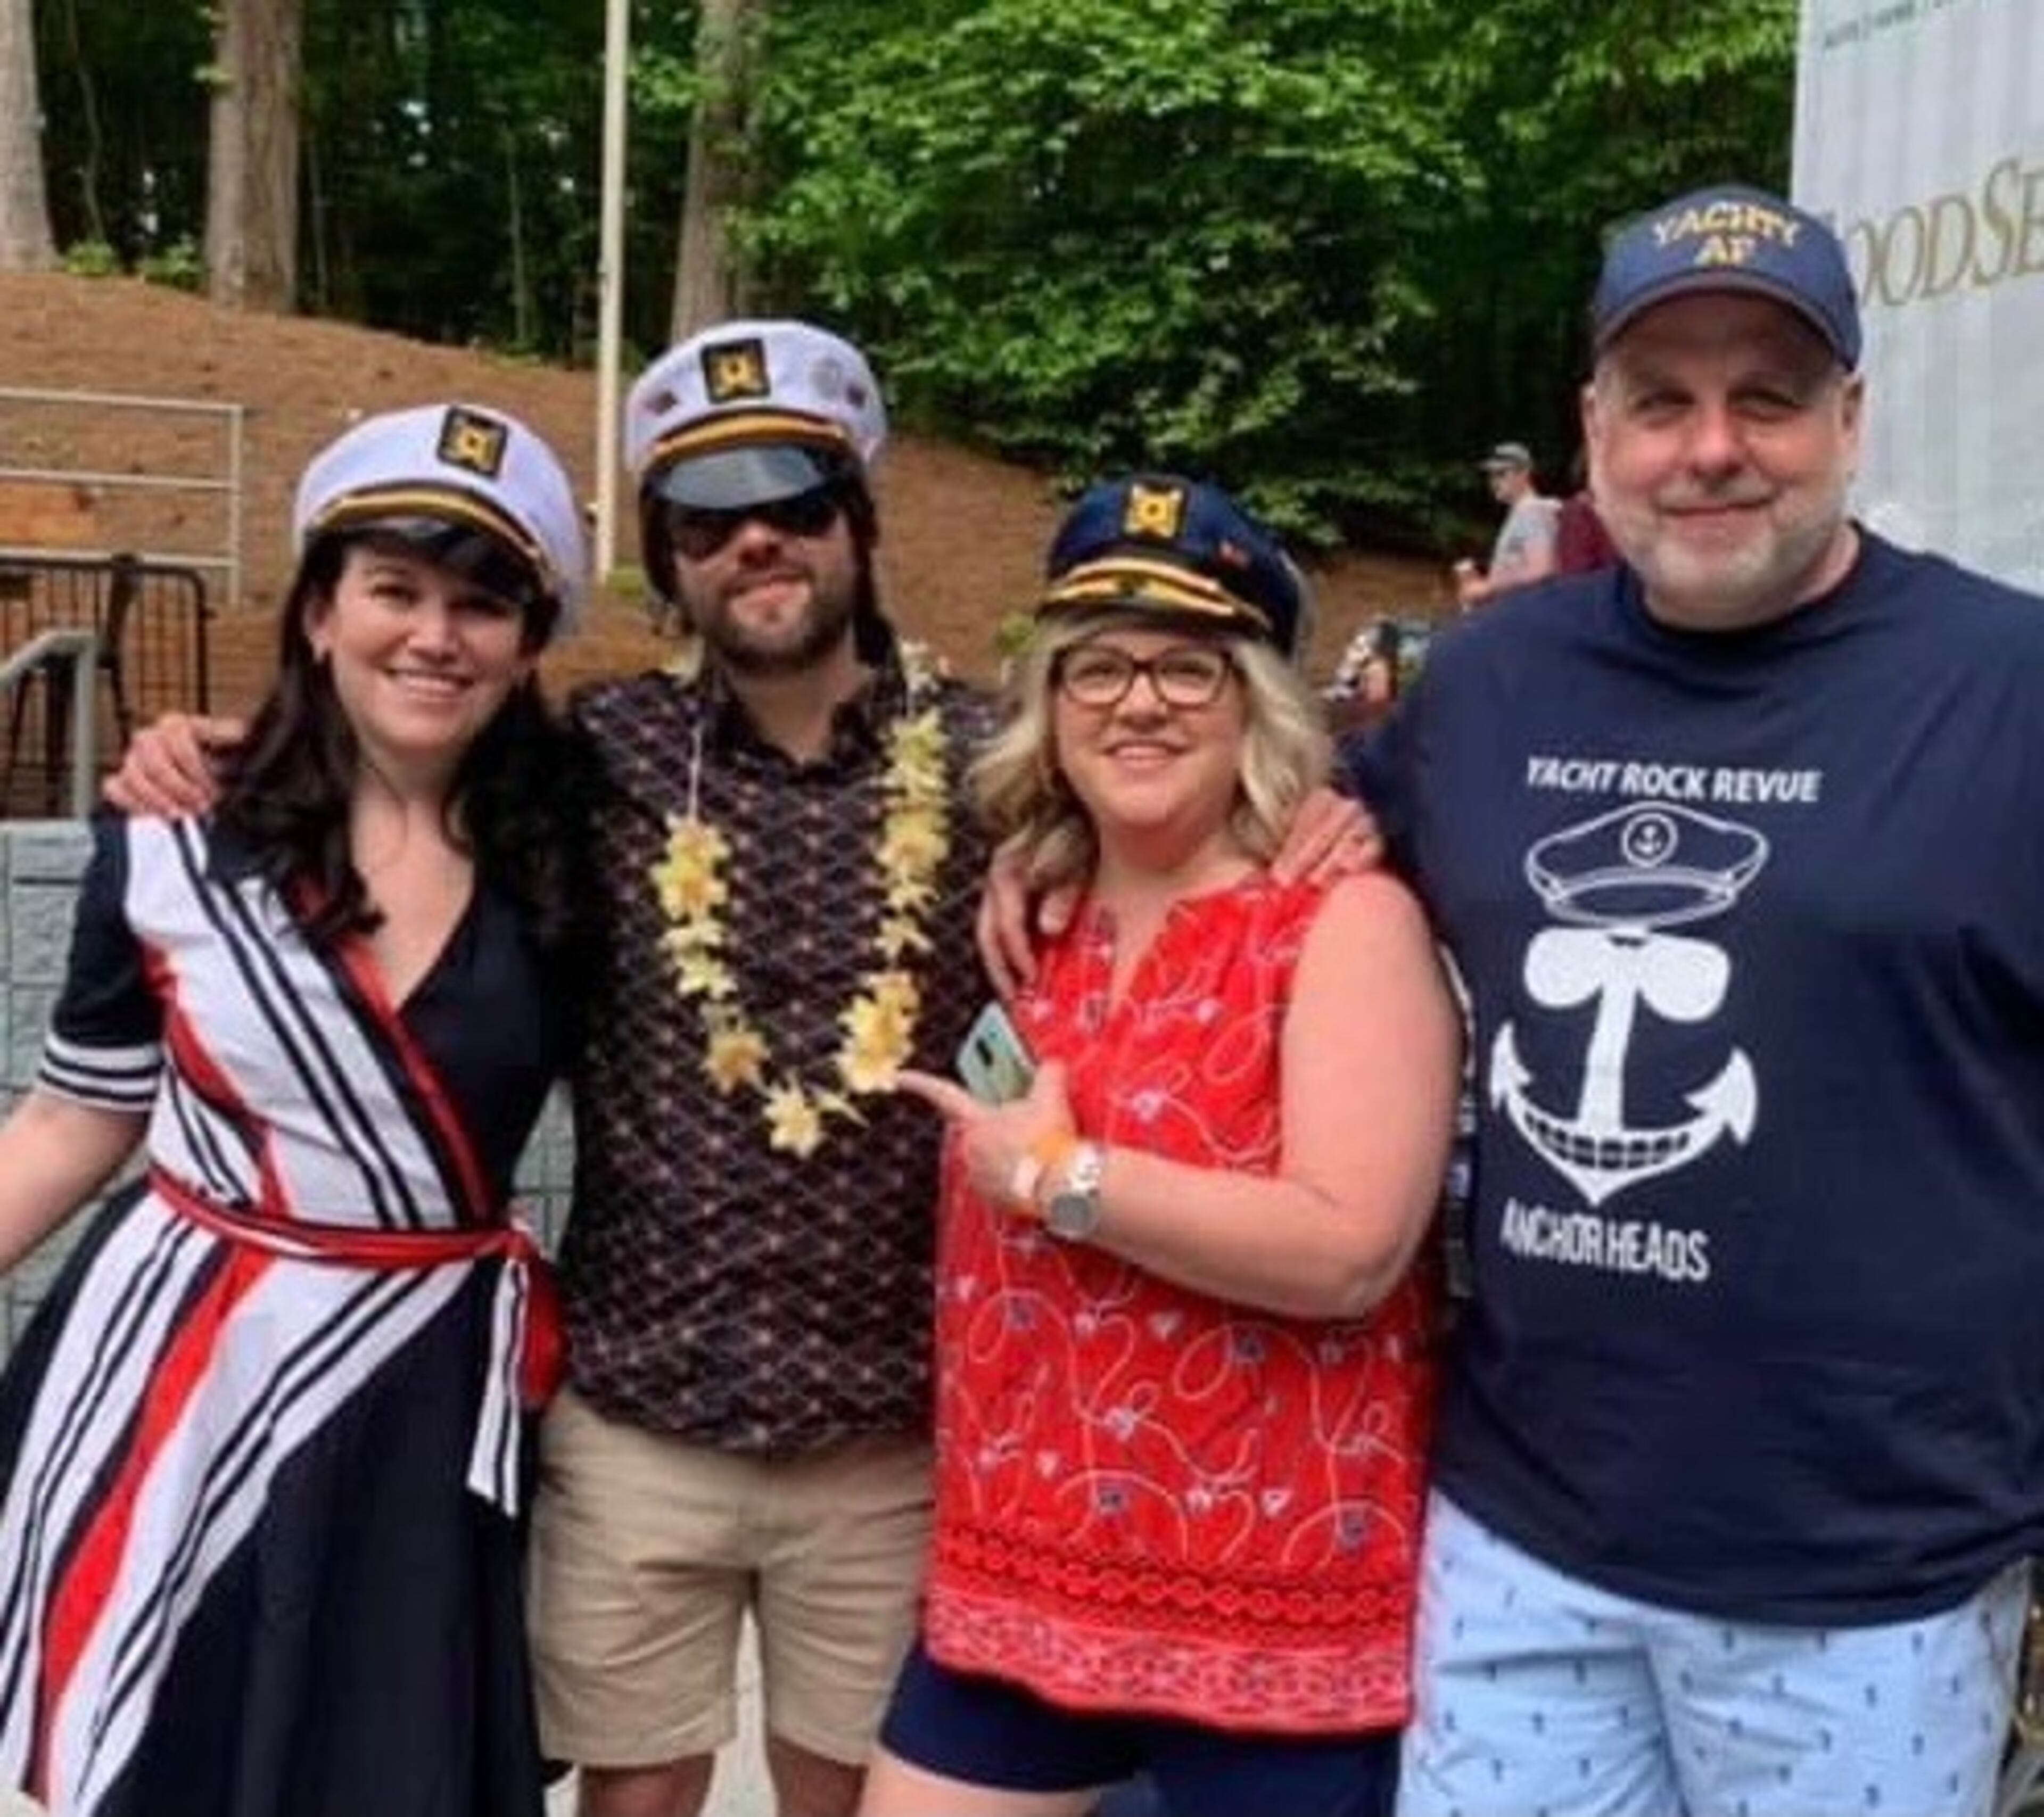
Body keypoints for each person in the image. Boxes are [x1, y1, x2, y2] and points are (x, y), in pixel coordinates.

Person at [109, 324, 1370, 1817]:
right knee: (635, 1790)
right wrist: (213, 751)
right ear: (668, 561)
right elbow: (400, 746)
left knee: (841, 1789)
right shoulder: (596, 754)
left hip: (891, 1420)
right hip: (641, 1401)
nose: (754, 542)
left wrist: (1344, 808)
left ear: (858, 522)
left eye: (795, 503)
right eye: (706, 522)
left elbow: (1185, 775)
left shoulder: (998, 759)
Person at [1351, 181, 2044, 1815]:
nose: (1710, 448)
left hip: (1870, 1580)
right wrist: (1068, 857)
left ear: (1849, 418)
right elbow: (1292, 857)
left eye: (1766, 399)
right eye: (1661, 401)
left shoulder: (2008, 688)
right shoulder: (1491, 683)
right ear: (1594, 428)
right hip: (1518, 1538)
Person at [0, 401, 589, 1816]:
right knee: (173, 1752)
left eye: (480, 605)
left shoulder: (578, 853)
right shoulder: (175, 835)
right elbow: (77, 1119)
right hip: (186, 1363)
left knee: (386, 1761)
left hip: (418, 1384)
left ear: (525, 646)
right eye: (394, 590)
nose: (434, 636)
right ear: (321, 613)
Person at [860, 475, 1461, 1817]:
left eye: (1190, 668)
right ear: (1049, 702)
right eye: (1098, 668)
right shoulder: (1039, 911)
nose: (1138, 703)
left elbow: (1350, 1249)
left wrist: (1063, 1182)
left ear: (1258, 701)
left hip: (1269, 1596)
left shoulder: (1339, 920)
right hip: (1020, 1572)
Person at [1453, 440, 1557, 607]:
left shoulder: (1532, 512)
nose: (1494, 482)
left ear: (1524, 473)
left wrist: (1487, 588)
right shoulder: (1521, 513)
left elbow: (1542, 570)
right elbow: (1518, 574)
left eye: (1502, 474)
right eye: (1491, 475)